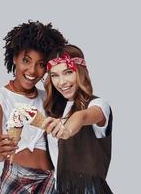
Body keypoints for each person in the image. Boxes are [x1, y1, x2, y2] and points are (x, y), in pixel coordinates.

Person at [0, 21, 67, 194]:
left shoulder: (48, 97)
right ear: (14, 57)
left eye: (41, 64)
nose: (32, 70)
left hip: (51, 178)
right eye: (26, 60)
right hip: (18, 177)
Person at [42, 44, 113, 193]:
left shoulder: (98, 105)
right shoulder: (54, 111)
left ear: (81, 71)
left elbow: (82, 116)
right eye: (54, 75)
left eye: (68, 72)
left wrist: (67, 130)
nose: (61, 82)